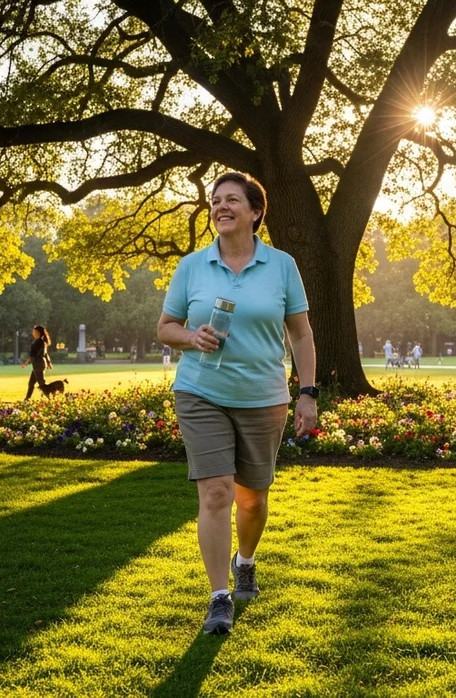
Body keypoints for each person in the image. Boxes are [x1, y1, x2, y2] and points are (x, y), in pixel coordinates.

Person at [156, 172, 316, 636]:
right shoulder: (192, 266)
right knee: (216, 493)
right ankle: (218, 597)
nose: (220, 207)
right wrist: (190, 335)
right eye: (215, 201)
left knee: (252, 499)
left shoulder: (282, 265)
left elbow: (301, 334)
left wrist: (307, 392)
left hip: (264, 396)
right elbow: (165, 326)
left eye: (231, 200)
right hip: (201, 391)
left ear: (255, 212)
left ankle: (244, 560)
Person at [21, 325, 53, 400]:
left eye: (34, 331)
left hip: (38, 364)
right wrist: (48, 363)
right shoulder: (41, 342)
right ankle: (27, 399)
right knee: (31, 383)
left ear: (38, 332)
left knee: (41, 384)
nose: (33, 333)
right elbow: (45, 354)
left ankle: (50, 397)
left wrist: (26, 363)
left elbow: (34, 355)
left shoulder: (39, 342)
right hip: (39, 364)